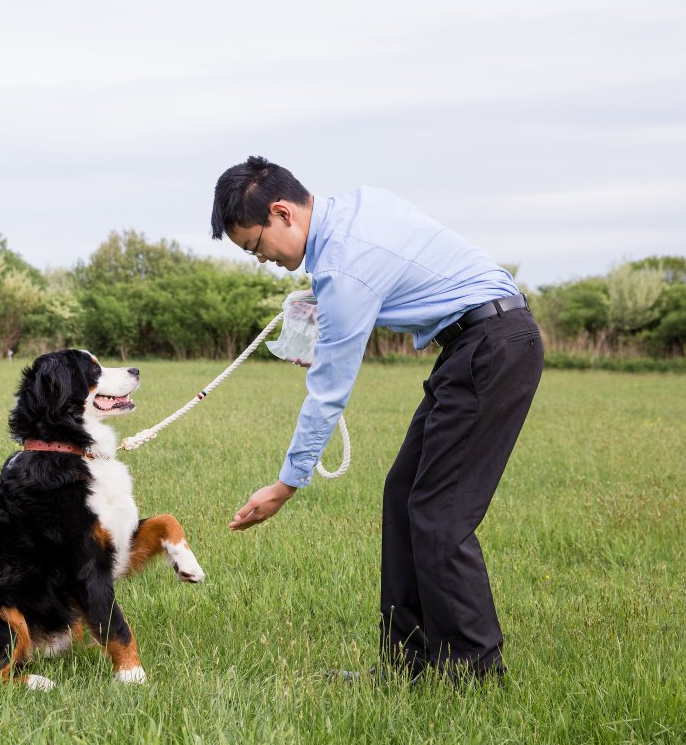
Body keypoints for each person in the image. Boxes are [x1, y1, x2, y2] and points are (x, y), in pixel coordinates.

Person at [211, 156, 543, 681]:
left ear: (282, 213)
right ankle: (409, 662)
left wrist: (286, 485)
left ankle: (473, 674)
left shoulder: (342, 266)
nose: (262, 259)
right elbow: (386, 273)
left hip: (492, 346)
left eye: (256, 245)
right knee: (404, 493)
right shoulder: (357, 212)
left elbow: (328, 391)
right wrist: (322, 305)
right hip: (475, 344)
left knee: (440, 512)